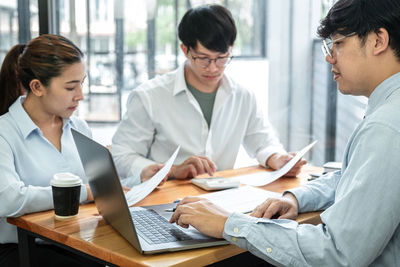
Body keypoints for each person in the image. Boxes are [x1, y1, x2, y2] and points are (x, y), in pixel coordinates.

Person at [170, 0, 400, 266]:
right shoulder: (387, 114)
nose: (329, 56)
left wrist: (229, 223)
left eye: (338, 43)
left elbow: (336, 253)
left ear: (378, 41)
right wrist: (295, 197)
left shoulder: (385, 127)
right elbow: (354, 179)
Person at [112, 4, 305, 186]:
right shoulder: (149, 96)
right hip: (164, 200)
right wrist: (171, 170)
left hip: (220, 199)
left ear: (231, 48)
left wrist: (279, 159)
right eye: (203, 58)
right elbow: (121, 155)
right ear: (185, 50)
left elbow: (264, 144)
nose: (213, 68)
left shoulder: (243, 96)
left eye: (222, 58)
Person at [0, 34, 102, 267]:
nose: (80, 95)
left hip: (76, 242)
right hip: (21, 249)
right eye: (70, 87)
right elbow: (7, 199)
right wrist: (82, 193)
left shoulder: (80, 128)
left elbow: (98, 184)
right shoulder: (4, 133)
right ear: (37, 87)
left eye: (82, 83)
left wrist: (141, 177)